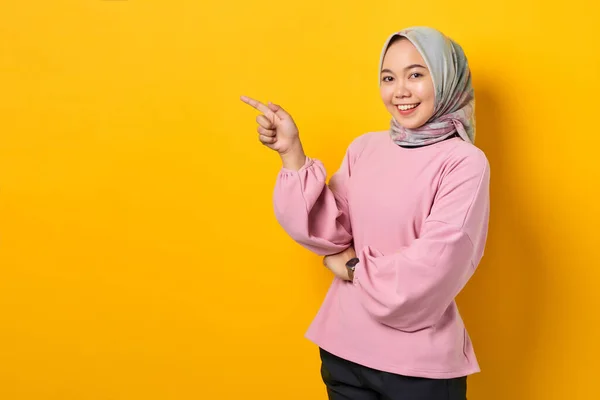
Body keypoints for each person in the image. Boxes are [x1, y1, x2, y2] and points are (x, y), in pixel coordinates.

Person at [241, 26, 490, 400]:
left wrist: (355, 270)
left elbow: (435, 265)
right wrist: (291, 152)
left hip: (417, 372)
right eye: (388, 78)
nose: (400, 91)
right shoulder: (365, 148)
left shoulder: (464, 162)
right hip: (343, 353)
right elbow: (328, 230)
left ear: (446, 77)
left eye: (416, 75)